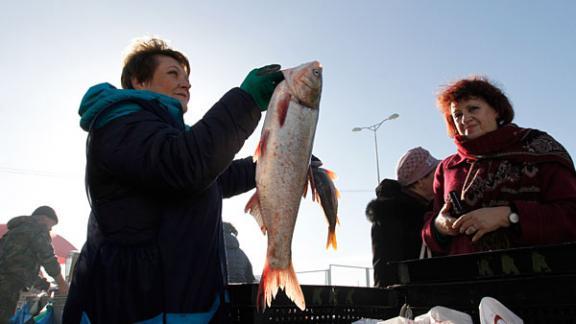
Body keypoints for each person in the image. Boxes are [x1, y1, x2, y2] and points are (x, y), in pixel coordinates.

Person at [62, 38, 284, 323]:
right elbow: (185, 165)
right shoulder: (119, 124)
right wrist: (246, 99)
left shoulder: (171, 138)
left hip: (191, 305)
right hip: (137, 310)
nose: (186, 83)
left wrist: (283, 160)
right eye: (173, 73)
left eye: (187, 77)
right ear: (139, 81)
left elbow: (219, 176)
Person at [422, 76, 576, 256]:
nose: (465, 119)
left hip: (538, 276)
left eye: (473, 108)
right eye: (457, 114)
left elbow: (571, 215)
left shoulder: (539, 148)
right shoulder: (448, 168)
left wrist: (508, 216)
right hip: (466, 279)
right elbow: (429, 230)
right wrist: (439, 227)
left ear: (496, 110)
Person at [366, 147, 440, 287]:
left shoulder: (430, 208)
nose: (440, 174)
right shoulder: (391, 217)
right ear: (419, 182)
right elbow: (385, 272)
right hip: (412, 302)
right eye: (434, 172)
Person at [0, 206, 69, 322]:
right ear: (42, 219)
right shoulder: (38, 229)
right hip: (9, 289)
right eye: (50, 226)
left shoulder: (13, 232)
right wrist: (62, 285)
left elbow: (16, 266)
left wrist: (43, 284)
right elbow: (49, 260)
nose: (50, 230)